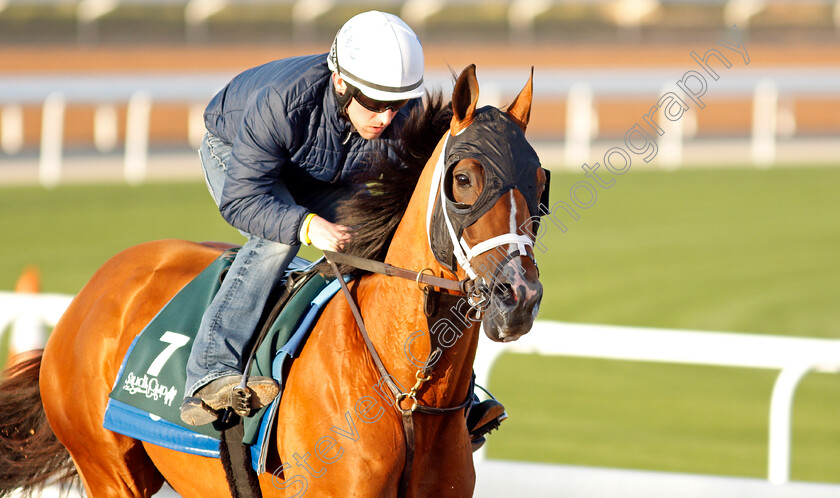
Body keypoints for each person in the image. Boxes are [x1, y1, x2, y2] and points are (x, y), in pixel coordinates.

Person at [180, 10, 505, 450]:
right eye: (374, 105)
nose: (386, 119)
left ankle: (452, 395)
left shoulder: (392, 110)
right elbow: (243, 199)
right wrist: (308, 225)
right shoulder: (281, 102)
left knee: (389, 241)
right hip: (238, 157)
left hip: (317, 170)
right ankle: (209, 373)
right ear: (340, 83)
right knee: (279, 239)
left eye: (396, 105)